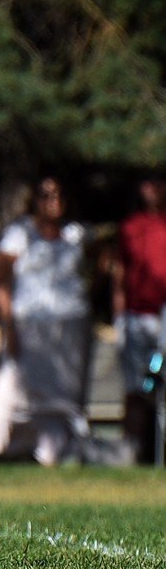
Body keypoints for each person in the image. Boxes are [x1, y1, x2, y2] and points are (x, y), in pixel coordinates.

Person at [0, 176, 92, 466]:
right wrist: (9, 324)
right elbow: (1, 282)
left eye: (59, 194)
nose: (54, 201)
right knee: (10, 391)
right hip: (28, 325)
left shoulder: (76, 234)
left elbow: (97, 267)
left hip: (69, 325)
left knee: (62, 398)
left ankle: (53, 456)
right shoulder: (18, 234)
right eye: (45, 194)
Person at [112, 174, 166, 464]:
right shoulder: (131, 227)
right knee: (136, 389)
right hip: (137, 316)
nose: (152, 189)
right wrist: (119, 315)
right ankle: (131, 453)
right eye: (146, 183)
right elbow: (120, 272)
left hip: (164, 315)